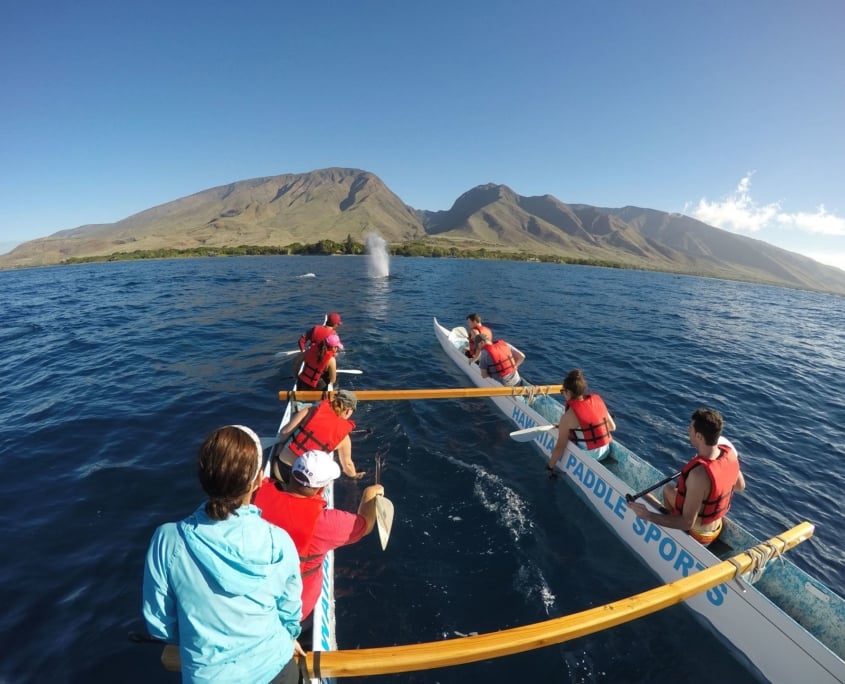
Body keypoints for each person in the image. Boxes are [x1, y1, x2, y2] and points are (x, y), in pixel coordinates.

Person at [142, 425, 304, 684]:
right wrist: (287, 637)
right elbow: (291, 611)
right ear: (255, 483)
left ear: (203, 477)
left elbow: (159, 624)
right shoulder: (279, 541)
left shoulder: (167, 540)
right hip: (278, 668)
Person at [253, 450, 383, 645]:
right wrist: (370, 493)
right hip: (294, 610)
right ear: (322, 489)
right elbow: (365, 525)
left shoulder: (256, 495)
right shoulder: (325, 523)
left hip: (254, 597)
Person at [627, 408, 746, 545]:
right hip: (717, 528)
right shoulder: (730, 456)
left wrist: (648, 515)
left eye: (690, 428)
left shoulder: (698, 475)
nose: (688, 431)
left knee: (652, 497)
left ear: (699, 437)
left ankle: (674, 535)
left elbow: (687, 522)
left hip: (699, 536)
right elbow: (740, 486)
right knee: (668, 490)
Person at [274, 389, 364, 479]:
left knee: (280, 445)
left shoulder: (310, 410)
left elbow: (284, 433)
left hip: (281, 471)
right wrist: (354, 475)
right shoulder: (344, 438)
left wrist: (281, 443)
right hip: (306, 481)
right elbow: (347, 465)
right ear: (348, 411)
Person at [546, 369, 617, 473]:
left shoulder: (567, 417)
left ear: (568, 392)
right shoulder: (597, 400)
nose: (563, 394)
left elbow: (559, 447)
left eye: (563, 392)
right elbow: (612, 427)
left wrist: (550, 467)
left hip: (590, 457)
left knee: (563, 439)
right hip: (605, 451)